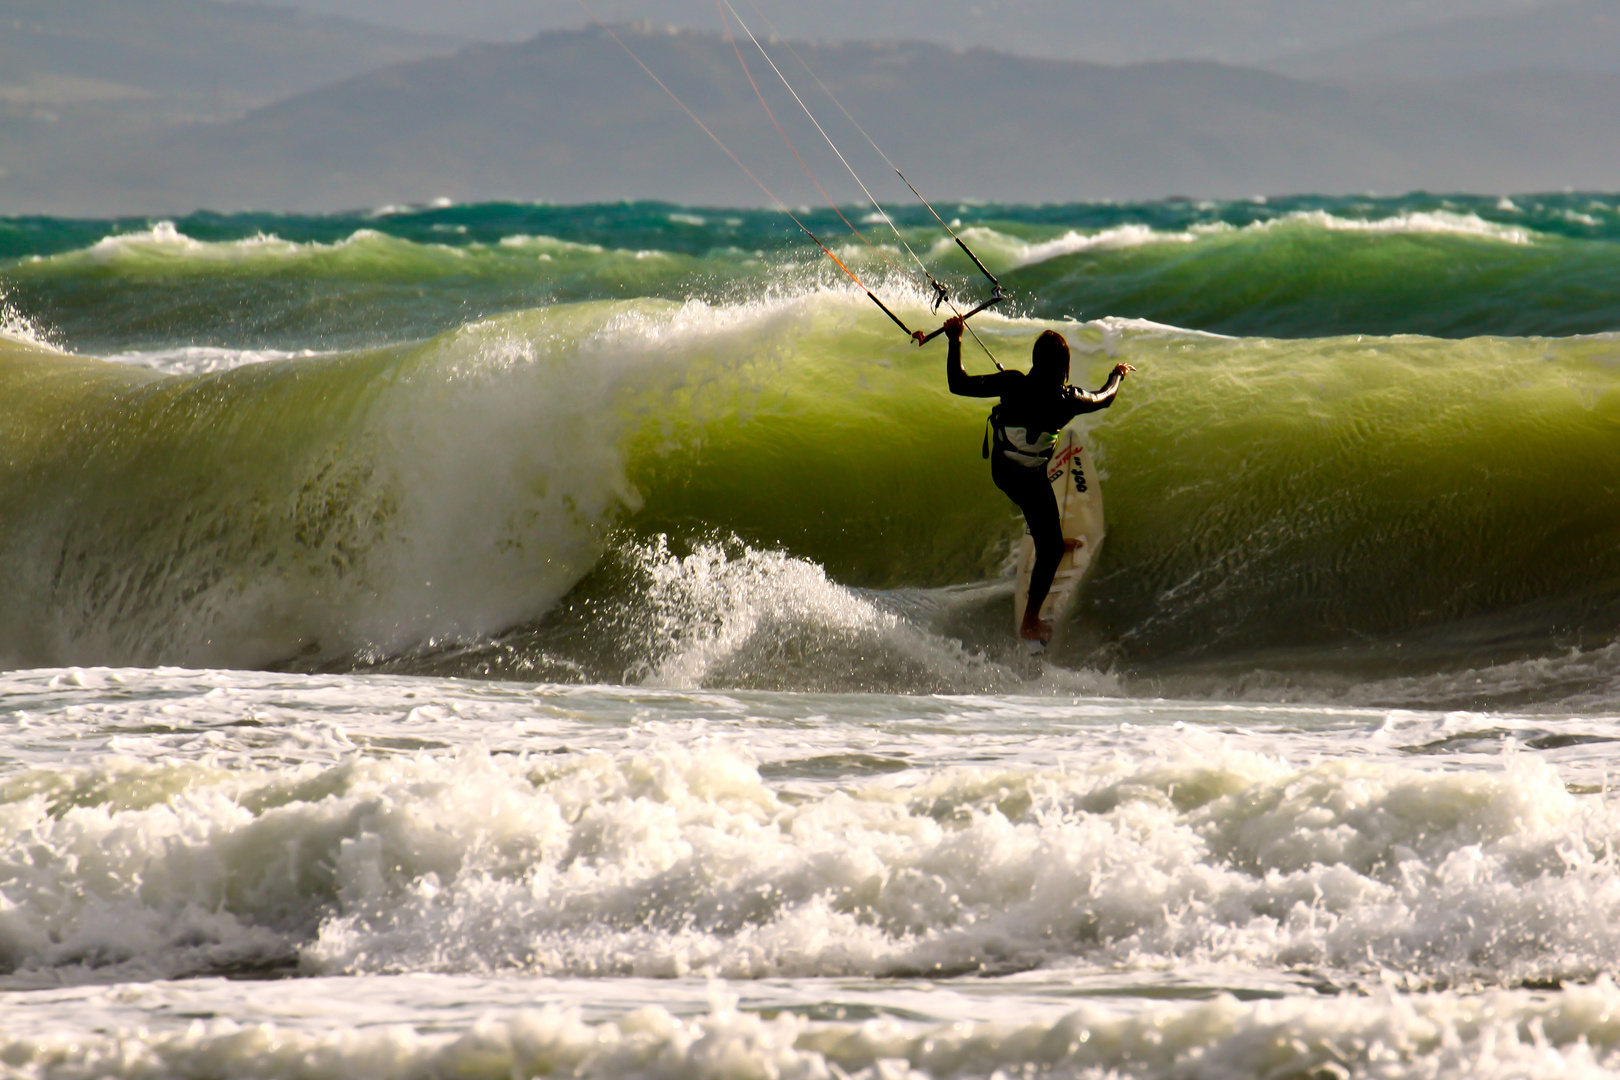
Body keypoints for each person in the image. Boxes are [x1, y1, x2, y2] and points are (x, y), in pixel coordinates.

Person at [943, 315, 1133, 645]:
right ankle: (1030, 621)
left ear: (1035, 361)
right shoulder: (1069, 399)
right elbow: (1106, 397)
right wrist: (1117, 374)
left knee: (1038, 498)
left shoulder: (1013, 383)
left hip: (1003, 471)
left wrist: (955, 338)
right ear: (1064, 368)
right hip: (1030, 477)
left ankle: (1042, 527)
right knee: (1053, 547)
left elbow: (957, 383)